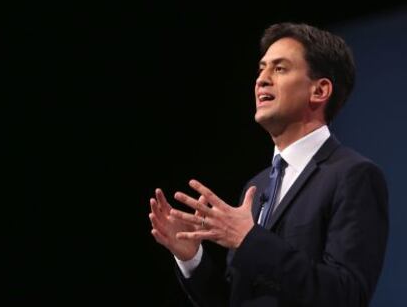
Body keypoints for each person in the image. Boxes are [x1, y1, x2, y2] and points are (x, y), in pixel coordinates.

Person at [148, 22, 388, 307]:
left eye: (280, 68)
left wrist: (250, 239)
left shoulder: (353, 175)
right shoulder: (256, 186)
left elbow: (346, 295)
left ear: (320, 90)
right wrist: (192, 259)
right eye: (261, 68)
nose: (261, 79)